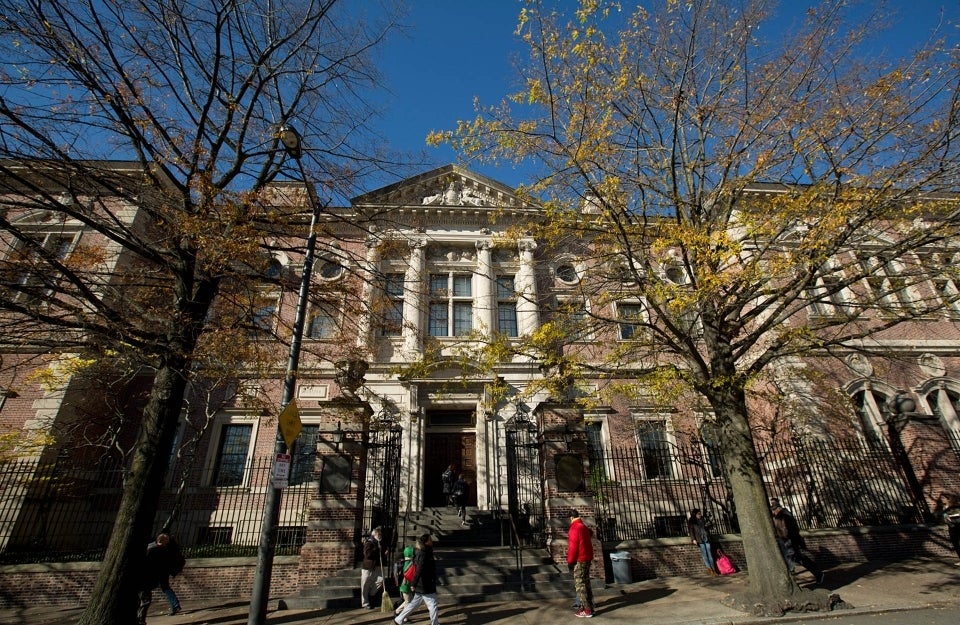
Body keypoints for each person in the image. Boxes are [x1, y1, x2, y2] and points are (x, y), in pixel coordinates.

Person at [771, 502, 825, 584]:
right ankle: (818, 573)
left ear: (778, 509)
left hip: (789, 541)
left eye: (774, 510)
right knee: (796, 558)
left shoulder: (784, 516)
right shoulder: (783, 515)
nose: (773, 513)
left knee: (793, 559)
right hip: (788, 540)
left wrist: (786, 538)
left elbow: (787, 529)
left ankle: (818, 574)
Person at [136, 533, 184, 625]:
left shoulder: (153, 549)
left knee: (147, 596)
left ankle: (140, 619)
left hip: (154, 575)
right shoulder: (161, 551)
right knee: (164, 589)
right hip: (158, 574)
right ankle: (175, 605)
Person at [394, 533, 440, 625]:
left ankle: (399, 619)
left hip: (423, 583)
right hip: (425, 583)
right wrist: (413, 583)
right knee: (433, 604)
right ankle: (435, 624)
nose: (432, 541)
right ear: (426, 542)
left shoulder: (425, 552)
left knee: (414, 604)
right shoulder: (423, 554)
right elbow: (419, 570)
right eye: (430, 539)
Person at [567, 510, 595, 618]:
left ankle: (586, 609)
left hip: (580, 559)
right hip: (587, 557)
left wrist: (570, 561)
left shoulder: (575, 527)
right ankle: (590, 607)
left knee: (580, 584)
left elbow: (573, 547)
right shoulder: (582, 526)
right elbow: (590, 533)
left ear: (571, 517)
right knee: (586, 582)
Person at [360, 527, 385, 609]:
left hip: (377, 566)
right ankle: (365, 603)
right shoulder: (369, 543)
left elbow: (381, 555)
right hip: (368, 567)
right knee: (365, 584)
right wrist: (377, 550)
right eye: (379, 534)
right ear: (374, 535)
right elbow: (368, 554)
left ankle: (371, 594)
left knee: (381, 580)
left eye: (381, 534)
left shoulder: (380, 543)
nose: (380, 536)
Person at [688, 508, 716, 575]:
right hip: (699, 539)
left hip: (706, 538)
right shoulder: (692, 521)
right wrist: (693, 539)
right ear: (695, 514)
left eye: (700, 513)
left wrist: (709, 523)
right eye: (698, 514)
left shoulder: (703, 519)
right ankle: (709, 569)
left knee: (710, 555)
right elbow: (691, 531)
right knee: (705, 555)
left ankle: (713, 569)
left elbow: (708, 527)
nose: (700, 515)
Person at [394, 544, 416, 621]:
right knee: (408, 601)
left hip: (405, 585)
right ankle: (405, 617)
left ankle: (397, 611)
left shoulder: (405, 562)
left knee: (409, 600)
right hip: (405, 585)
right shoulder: (409, 563)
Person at [938, 492, 960, 565]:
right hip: (952, 527)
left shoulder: (957, 506)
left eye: (946, 498)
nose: (944, 500)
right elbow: (945, 517)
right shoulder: (945, 507)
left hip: (956, 526)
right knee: (955, 543)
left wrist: (951, 519)